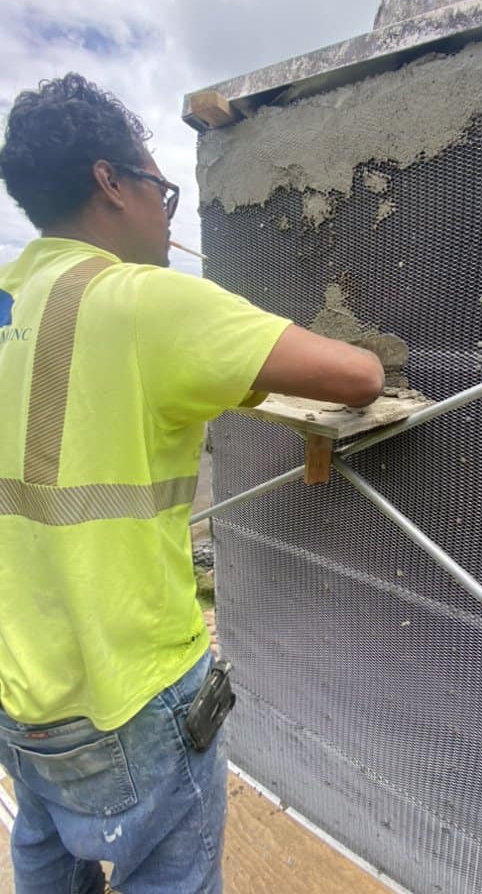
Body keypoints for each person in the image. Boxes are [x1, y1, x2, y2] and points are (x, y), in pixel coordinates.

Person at [0, 73, 384, 894]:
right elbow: (358, 376)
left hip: (18, 686)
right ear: (111, 181)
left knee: (42, 846)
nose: (166, 214)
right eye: (160, 189)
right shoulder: (142, 302)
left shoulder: (10, 304)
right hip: (129, 696)